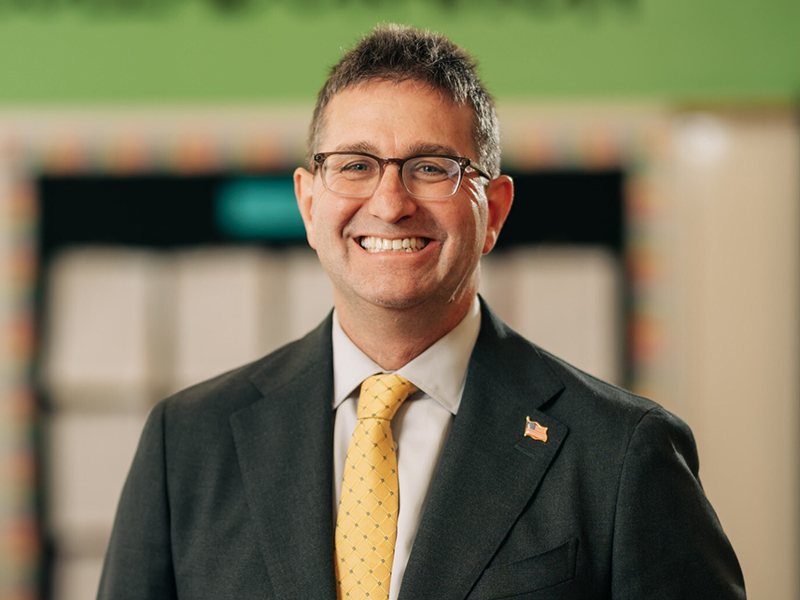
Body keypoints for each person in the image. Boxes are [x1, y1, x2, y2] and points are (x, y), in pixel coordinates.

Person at [97, 23, 745, 600]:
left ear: (493, 209)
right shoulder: (185, 445)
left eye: (431, 168)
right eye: (354, 165)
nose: (390, 202)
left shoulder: (623, 454)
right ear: (308, 203)